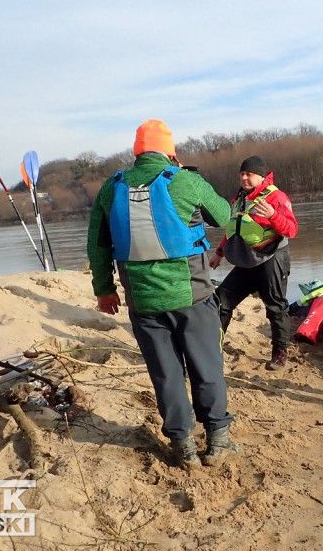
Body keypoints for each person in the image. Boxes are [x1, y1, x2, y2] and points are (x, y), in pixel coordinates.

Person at [87, 119, 237, 469]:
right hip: (194, 298)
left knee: (166, 373)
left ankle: (183, 446)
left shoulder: (111, 188)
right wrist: (186, 175)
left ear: (136, 152)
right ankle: (217, 440)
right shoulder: (186, 179)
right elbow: (224, 216)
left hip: (143, 303)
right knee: (207, 366)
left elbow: (97, 246)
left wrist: (104, 291)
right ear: (170, 151)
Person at [210, 155, 299, 371]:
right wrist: (219, 253)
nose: (244, 178)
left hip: (272, 259)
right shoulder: (239, 199)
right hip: (246, 260)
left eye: (249, 174)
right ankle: (214, 348)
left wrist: (272, 215)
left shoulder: (276, 197)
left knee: (275, 307)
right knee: (221, 300)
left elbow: (292, 229)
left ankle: (279, 353)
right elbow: (234, 229)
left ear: (261, 176)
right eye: (242, 174)